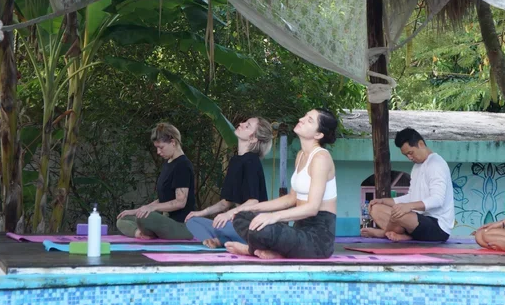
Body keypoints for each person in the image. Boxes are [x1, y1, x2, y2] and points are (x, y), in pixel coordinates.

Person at [225, 109, 338, 259]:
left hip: (317, 240)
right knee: (241, 216)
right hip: (298, 231)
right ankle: (270, 251)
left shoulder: (321, 158)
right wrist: (250, 208)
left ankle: (250, 249)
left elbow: (312, 208)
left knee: (264, 229)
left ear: (318, 134)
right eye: (305, 116)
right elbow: (291, 198)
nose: (301, 119)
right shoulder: (301, 155)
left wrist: (273, 217)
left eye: (309, 120)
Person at [185, 117, 271, 248]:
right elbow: (225, 203)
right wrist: (200, 213)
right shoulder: (235, 161)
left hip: (251, 225)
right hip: (235, 223)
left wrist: (228, 214)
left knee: (223, 225)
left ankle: (222, 240)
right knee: (193, 221)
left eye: (247, 125)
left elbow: (253, 202)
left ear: (253, 139)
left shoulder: (252, 161)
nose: (241, 124)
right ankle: (220, 240)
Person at [361, 127, 454, 242]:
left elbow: (437, 200)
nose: (409, 157)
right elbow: (411, 197)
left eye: (410, 153)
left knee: (399, 214)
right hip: (415, 221)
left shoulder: (436, 164)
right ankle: (405, 235)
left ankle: (384, 233)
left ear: (421, 144)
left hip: (438, 227)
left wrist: (409, 206)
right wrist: (383, 201)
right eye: (406, 155)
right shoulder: (416, 167)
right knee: (375, 208)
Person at [116, 123, 195, 240]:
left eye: (161, 147)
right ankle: (140, 234)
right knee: (123, 218)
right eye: (156, 148)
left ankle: (148, 232)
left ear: (173, 142)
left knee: (144, 218)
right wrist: (137, 210)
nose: (158, 152)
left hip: (181, 225)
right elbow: (164, 199)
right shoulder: (168, 163)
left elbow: (180, 202)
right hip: (165, 221)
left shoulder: (182, 165)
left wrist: (153, 208)